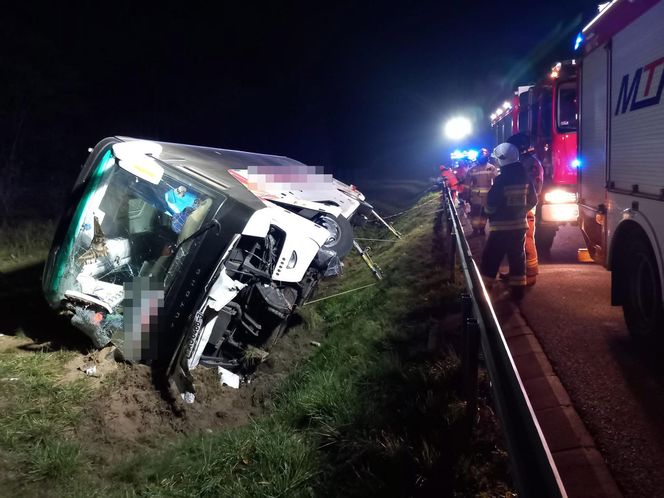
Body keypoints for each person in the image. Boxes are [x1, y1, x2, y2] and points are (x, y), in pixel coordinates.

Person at [480, 143, 538, 299]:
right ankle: (518, 290)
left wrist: (489, 213)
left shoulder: (502, 180)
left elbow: (491, 203)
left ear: (502, 160)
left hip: (500, 228)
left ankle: (484, 289)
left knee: (491, 256)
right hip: (519, 226)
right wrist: (520, 212)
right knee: (517, 257)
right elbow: (533, 200)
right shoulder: (525, 177)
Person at [507, 133, 544, 285]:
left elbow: (528, 188)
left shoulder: (528, 163)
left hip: (524, 207)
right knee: (516, 242)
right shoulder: (527, 161)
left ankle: (531, 275)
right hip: (519, 207)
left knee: (526, 239)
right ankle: (517, 272)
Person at [467, 148, 497, 236]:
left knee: (483, 215)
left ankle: (481, 230)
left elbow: (496, 182)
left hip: (485, 198)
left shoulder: (491, 168)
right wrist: (467, 195)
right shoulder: (472, 169)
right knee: (475, 215)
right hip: (477, 197)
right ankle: (476, 230)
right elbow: (467, 184)